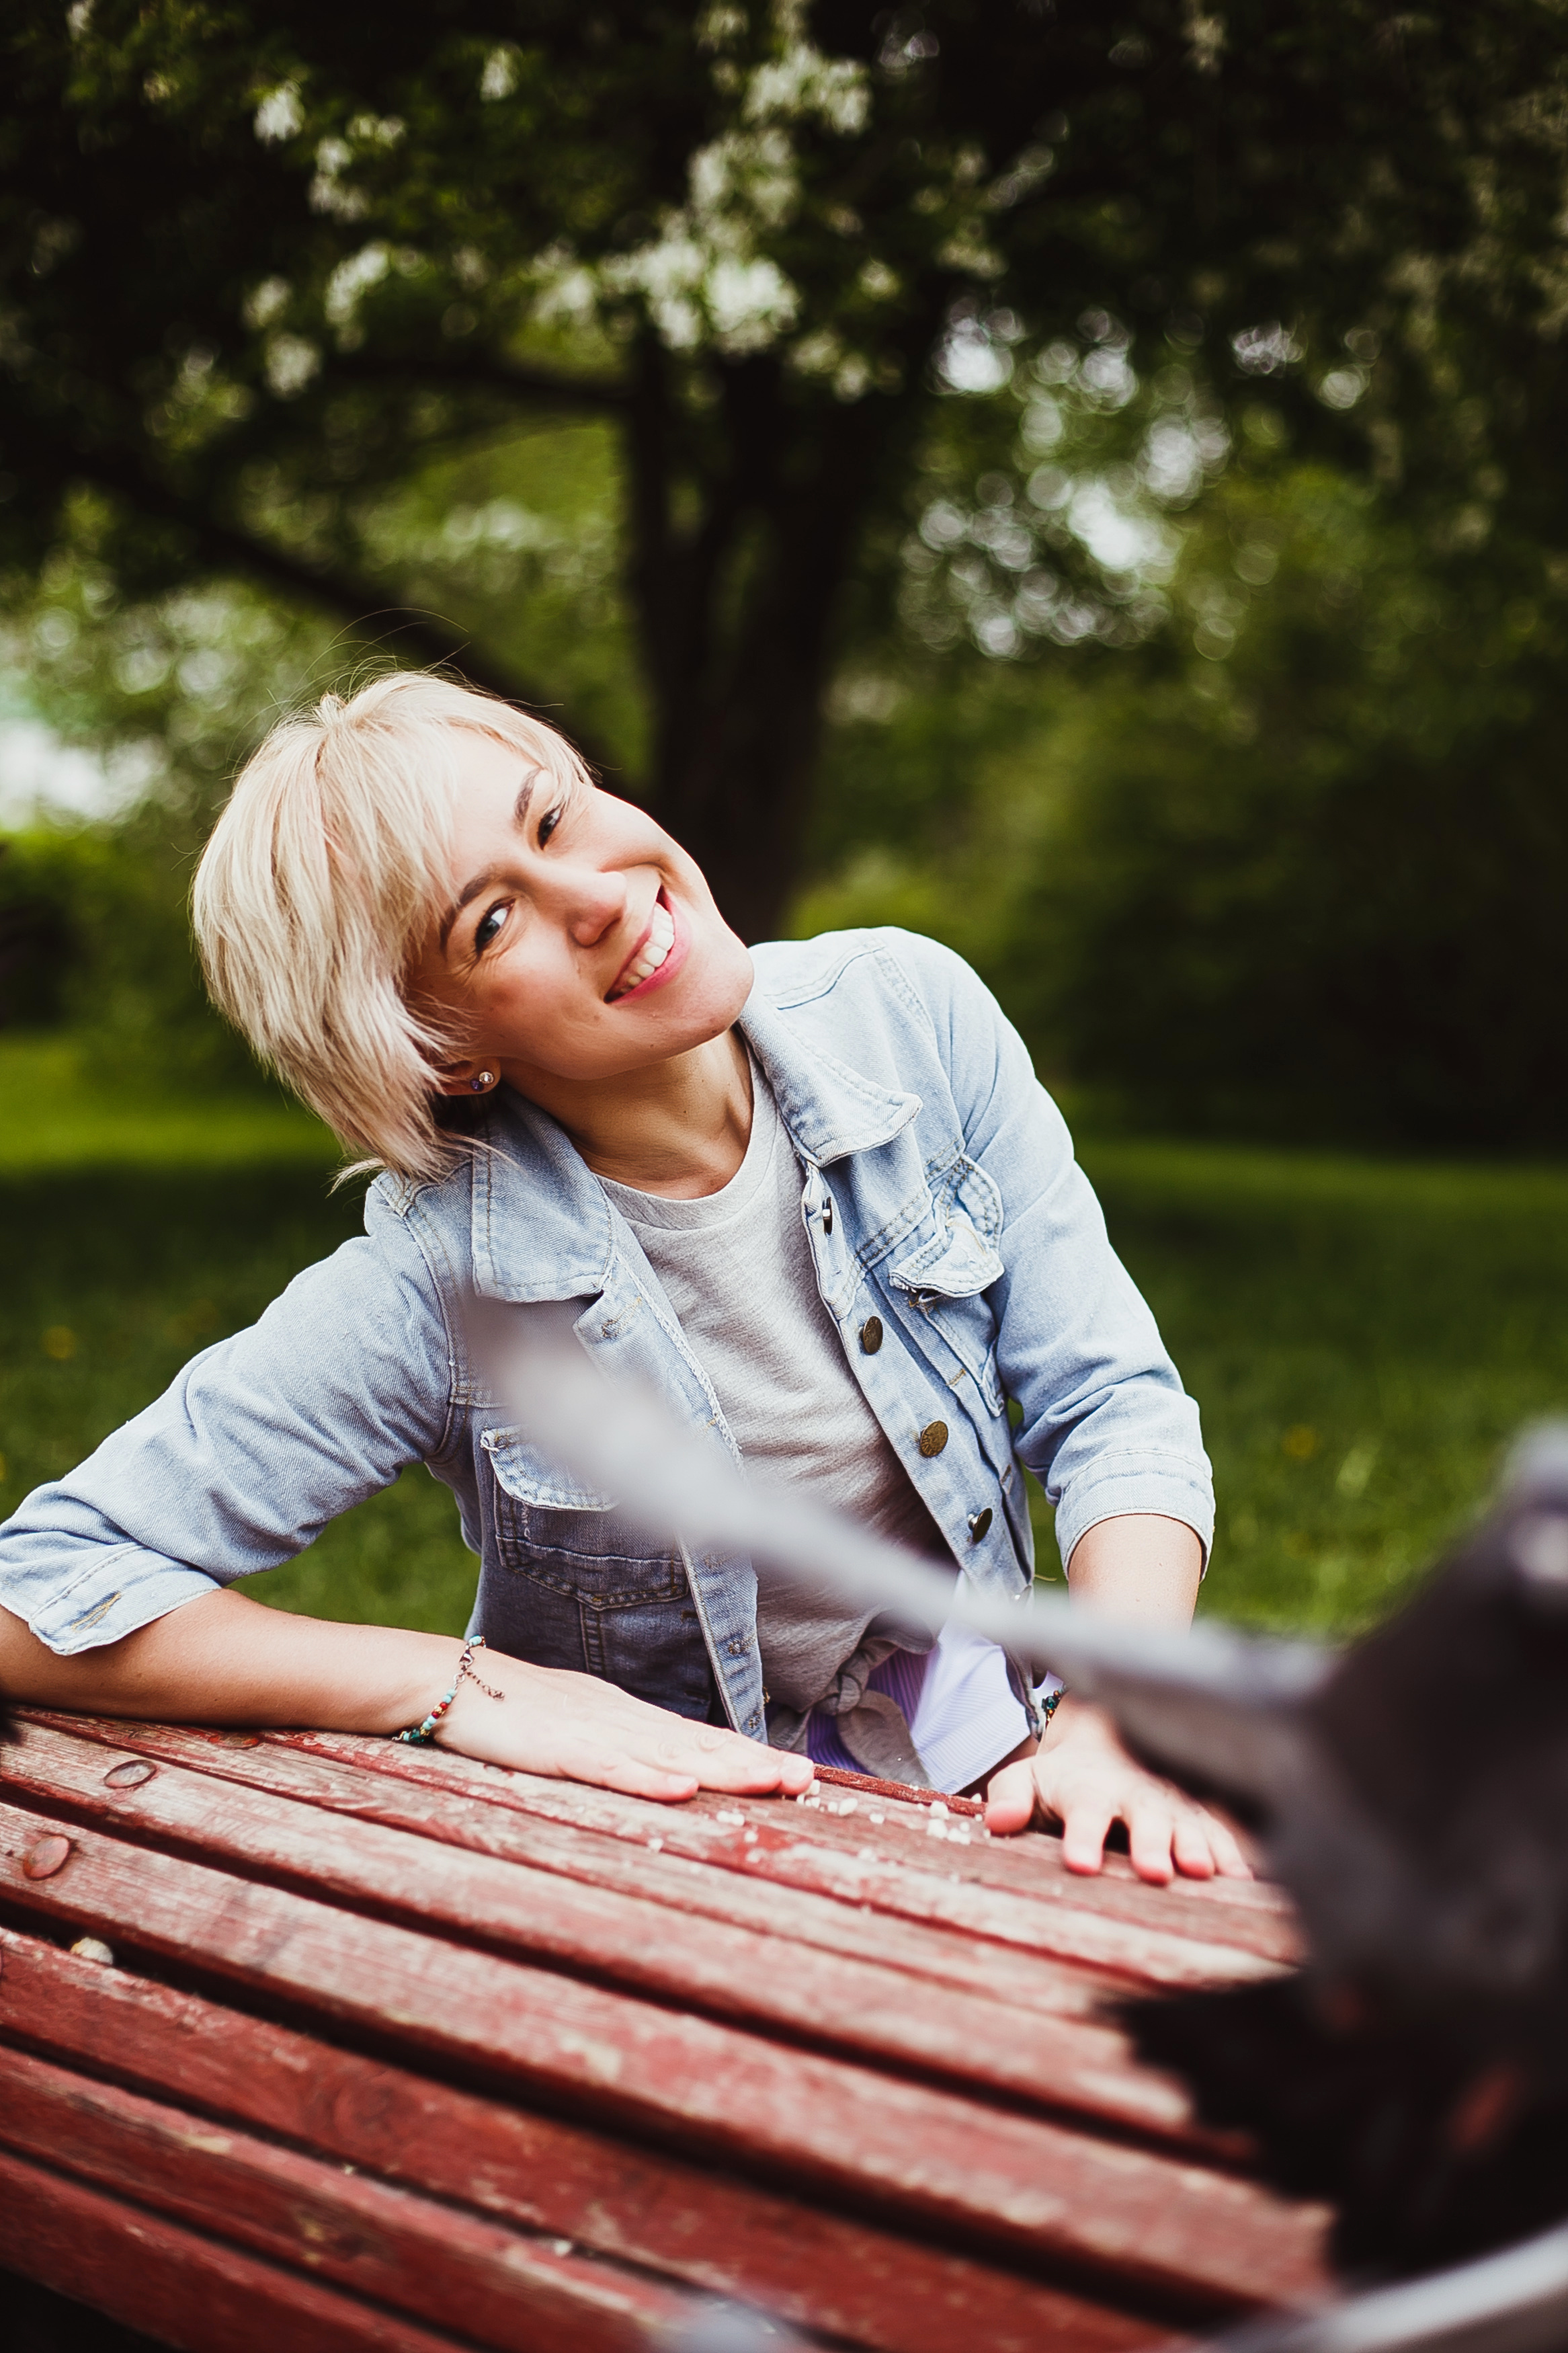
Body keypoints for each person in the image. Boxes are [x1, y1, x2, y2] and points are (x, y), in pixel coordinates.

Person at [0, 672, 1245, 1883]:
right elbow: (36, 1588)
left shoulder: (909, 1016)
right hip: (692, 1856)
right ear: (441, 1051)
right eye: (490, 923)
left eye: (553, 816)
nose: (593, 894)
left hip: (998, 1747)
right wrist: (455, 1684)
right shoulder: (439, 1281)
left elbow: (1107, 1406)